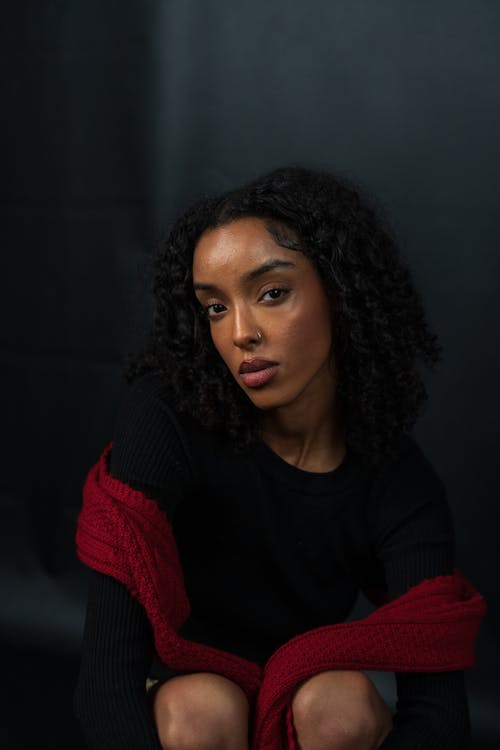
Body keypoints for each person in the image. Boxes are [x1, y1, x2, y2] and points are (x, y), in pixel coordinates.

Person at [74, 166, 479, 750]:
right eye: (214, 308)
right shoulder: (167, 417)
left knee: (339, 706)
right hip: (191, 708)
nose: (241, 333)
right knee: (201, 708)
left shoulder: (399, 482)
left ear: (340, 292)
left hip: (309, 714)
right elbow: (104, 680)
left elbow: (440, 717)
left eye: (271, 293)